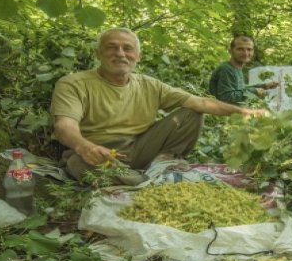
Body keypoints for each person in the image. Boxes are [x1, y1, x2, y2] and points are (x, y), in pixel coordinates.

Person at [51, 27, 266, 184]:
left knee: (192, 112)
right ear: (98, 53)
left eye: (127, 48)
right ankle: (142, 180)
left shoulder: (149, 84)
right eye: (111, 48)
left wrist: (245, 112)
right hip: (99, 153)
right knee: (81, 165)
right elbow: (64, 126)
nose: (120, 54)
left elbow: (200, 102)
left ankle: (161, 166)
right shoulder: (74, 83)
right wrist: (83, 146)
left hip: (140, 147)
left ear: (138, 56)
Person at [208, 35, 279, 105]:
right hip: (222, 114)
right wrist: (254, 91)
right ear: (230, 51)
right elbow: (226, 97)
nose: (245, 53)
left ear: (253, 52)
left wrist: (264, 86)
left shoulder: (236, 68)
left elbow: (240, 89)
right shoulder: (226, 69)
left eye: (249, 49)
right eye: (240, 49)